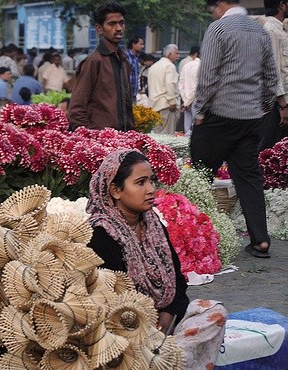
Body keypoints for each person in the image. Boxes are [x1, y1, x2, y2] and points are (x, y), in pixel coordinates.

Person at [87, 149, 227, 369]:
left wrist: (169, 312)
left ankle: (166, 359)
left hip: (164, 320)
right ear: (115, 190)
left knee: (214, 313)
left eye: (152, 181)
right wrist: (148, 322)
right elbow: (111, 302)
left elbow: (178, 280)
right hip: (126, 331)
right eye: (141, 183)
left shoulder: (153, 225)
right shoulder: (101, 234)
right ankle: (161, 359)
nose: (151, 189)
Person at [192, 0, 278, 258]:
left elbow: (208, 76)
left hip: (221, 114)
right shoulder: (259, 31)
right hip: (251, 117)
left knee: (199, 174)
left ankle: (191, 235)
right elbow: (271, 78)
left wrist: (199, 110)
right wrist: (261, 107)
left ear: (220, 5)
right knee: (249, 177)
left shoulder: (218, 29)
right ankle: (261, 240)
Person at [68, 2, 134, 131]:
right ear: (99, 29)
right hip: (100, 140)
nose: (119, 28)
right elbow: (77, 108)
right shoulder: (94, 61)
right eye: (112, 24)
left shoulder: (124, 60)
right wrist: (90, 136)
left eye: (121, 23)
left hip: (123, 138)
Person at [260, 0, 288, 150]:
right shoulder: (270, 30)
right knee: (269, 149)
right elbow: (274, 70)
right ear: (281, 5)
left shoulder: (281, 29)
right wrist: (282, 106)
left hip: (282, 104)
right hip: (275, 105)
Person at [147, 44, 180, 135]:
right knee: (167, 135)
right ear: (169, 54)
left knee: (157, 134)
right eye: (176, 53)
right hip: (167, 105)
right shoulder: (170, 66)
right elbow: (170, 84)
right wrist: (172, 102)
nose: (178, 56)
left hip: (154, 105)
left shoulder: (154, 66)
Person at [178, 47, 200, 136]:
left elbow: (180, 85)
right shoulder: (202, 66)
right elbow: (198, 86)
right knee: (196, 130)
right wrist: (189, 101)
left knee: (187, 130)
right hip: (196, 100)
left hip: (186, 101)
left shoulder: (186, 65)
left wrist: (185, 100)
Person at [126, 35, 145, 100]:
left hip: (133, 95)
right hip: (125, 95)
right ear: (133, 44)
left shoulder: (136, 58)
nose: (143, 46)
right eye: (141, 44)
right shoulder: (126, 57)